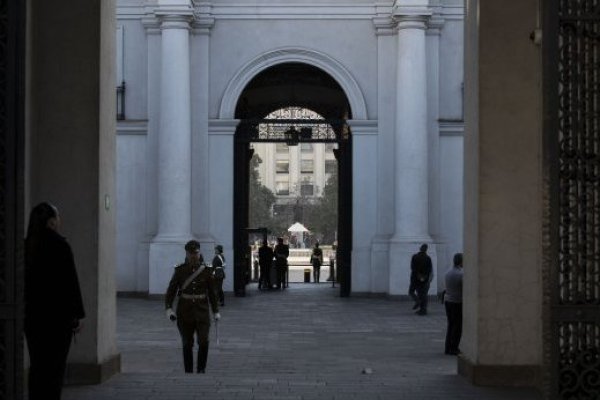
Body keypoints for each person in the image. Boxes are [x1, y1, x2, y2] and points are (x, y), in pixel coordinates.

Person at [24, 202, 85, 400]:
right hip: (58, 320)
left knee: (37, 366)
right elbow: (70, 284)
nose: (60, 220)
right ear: (51, 221)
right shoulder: (60, 245)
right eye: (58, 217)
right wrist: (76, 316)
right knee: (55, 370)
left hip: (33, 318)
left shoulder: (26, 245)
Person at [165, 240, 220, 373]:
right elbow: (171, 290)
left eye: (195, 253)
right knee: (187, 343)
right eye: (191, 254)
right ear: (187, 254)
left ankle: (201, 369)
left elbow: (212, 293)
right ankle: (188, 371)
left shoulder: (207, 270)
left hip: (202, 311)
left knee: (203, 341)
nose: (193, 256)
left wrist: (216, 311)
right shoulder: (180, 270)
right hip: (185, 312)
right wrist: (169, 308)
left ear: (199, 252)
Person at [444, 253, 463, 355]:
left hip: (448, 301)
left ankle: (447, 347)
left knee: (451, 325)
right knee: (458, 326)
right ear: (461, 262)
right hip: (457, 302)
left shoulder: (448, 272)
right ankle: (454, 347)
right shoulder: (461, 274)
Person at [411, 243, 433, 315]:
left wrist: (418, 276)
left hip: (415, 278)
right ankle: (423, 310)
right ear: (426, 250)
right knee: (424, 294)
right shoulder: (428, 258)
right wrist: (425, 278)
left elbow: (413, 268)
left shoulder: (415, 257)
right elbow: (429, 270)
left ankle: (418, 302)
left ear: (420, 248)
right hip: (424, 279)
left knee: (412, 292)